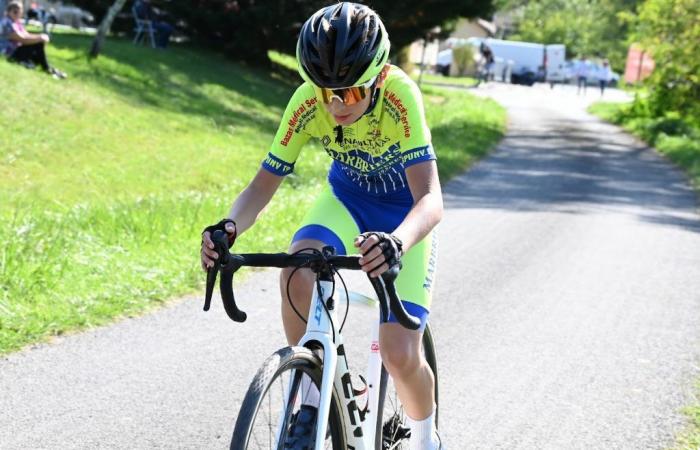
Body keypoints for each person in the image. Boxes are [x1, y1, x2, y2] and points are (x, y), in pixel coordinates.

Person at [200, 3, 443, 449]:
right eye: (324, 91)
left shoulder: (400, 96)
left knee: (399, 353)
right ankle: (311, 399)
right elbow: (260, 187)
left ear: (377, 77)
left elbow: (430, 199)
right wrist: (228, 228)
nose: (334, 106)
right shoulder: (307, 103)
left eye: (348, 94)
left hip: (402, 216)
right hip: (345, 202)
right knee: (296, 270)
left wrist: (398, 242)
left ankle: (429, 438)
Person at [0, 1, 66, 78]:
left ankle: (46, 67)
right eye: (15, 12)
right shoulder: (6, 23)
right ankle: (48, 69)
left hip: (18, 50)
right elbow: (22, 39)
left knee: (38, 49)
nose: (17, 14)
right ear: (9, 11)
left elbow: (26, 35)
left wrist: (41, 36)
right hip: (11, 53)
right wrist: (40, 38)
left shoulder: (16, 22)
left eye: (19, 12)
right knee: (38, 44)